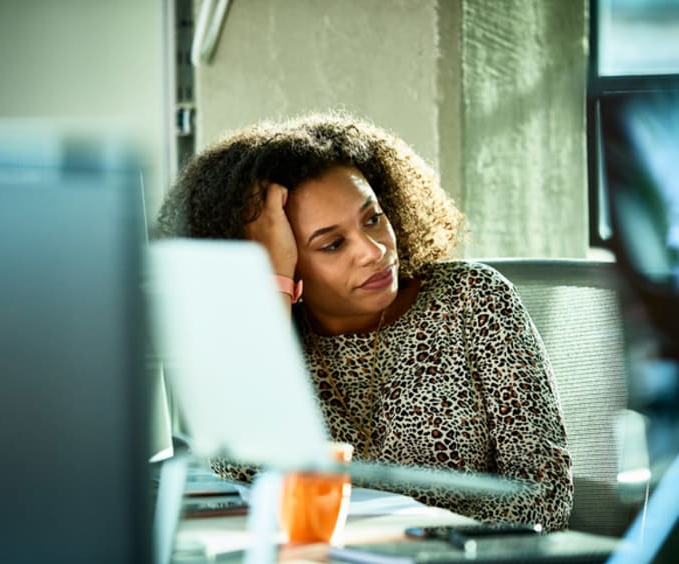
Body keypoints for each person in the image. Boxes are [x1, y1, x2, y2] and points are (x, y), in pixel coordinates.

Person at [157, 112, 573, 531]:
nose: (373, 251)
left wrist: (429, 547)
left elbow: (544, 494)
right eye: (333, 244)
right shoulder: (273, 340)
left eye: (373, 218)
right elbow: (239, 465)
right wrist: (273, 287)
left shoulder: (472, 299)